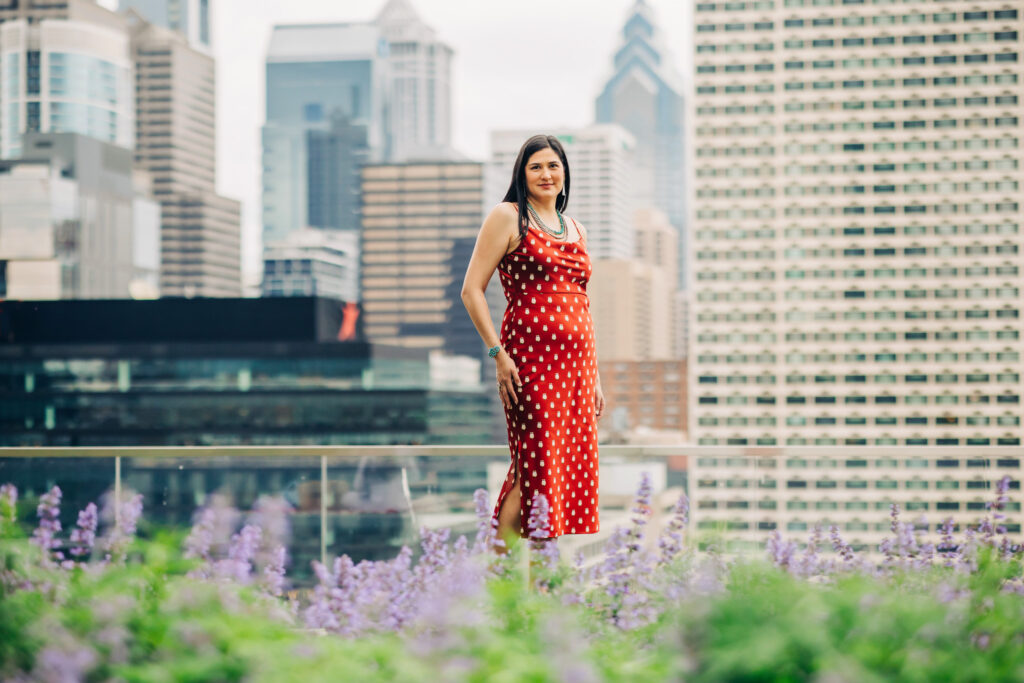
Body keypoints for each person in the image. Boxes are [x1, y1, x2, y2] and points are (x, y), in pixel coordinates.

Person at [461, 134, 604, 550]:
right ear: (522, 174)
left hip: (576, 371)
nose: (546, 174)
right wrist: (497, 354)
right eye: (536, 166)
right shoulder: (508, 216)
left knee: (557, 470)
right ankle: (503, 582)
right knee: (533, 468)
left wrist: (593, 375)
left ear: (565, 173)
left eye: (553, 166)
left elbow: (582, 304)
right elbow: (471, 290)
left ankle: (540, 590)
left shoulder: (577, 228)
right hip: (530, 362)